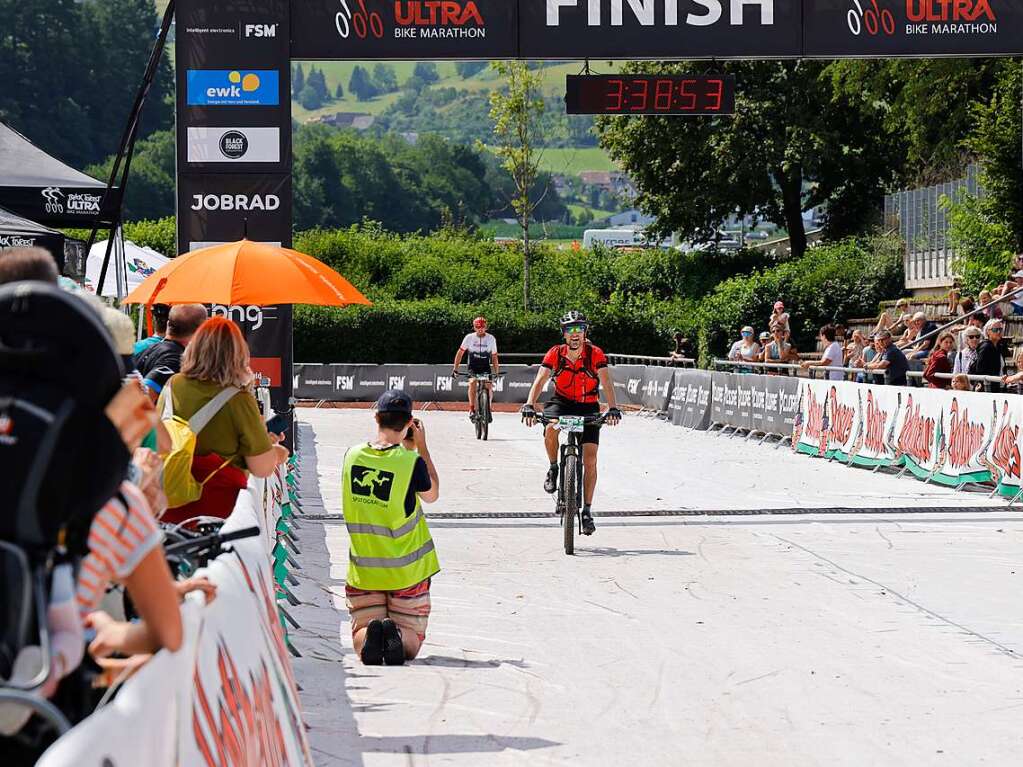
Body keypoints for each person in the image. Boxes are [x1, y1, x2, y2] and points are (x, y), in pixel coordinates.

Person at [156, 317, 288, 523]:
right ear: (239, 354)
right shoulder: (238, 398)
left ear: (194, 348)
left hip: (169, 501)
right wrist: (276, 454)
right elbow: (261, 468)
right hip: (218, 510)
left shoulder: (172, 385)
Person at [343, 389, 439, 666]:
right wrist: (420, 448)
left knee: (360, 629)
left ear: (376, 417)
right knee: (412, 638)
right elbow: (431, 494)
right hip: (406, 575)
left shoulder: (352, 456)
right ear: (410, 422)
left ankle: (370, 635)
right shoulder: (411, 462)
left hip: (364, 572)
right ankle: (397, 634)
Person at [520, 311, 622, 537]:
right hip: (562, 402)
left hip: (588, 406)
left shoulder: (595, 354)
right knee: (549, 426)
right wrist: (529, 404)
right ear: (564, 334)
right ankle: (554, 467)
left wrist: (612, 408)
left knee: (591, 458)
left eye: (579, 329)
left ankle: (586, 511)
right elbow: (540, 379)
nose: (575, 334)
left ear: (586, 332)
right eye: (569, 330)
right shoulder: (555, 353)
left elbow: (606, 382)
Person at [135, 303, 208, 377]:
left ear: (168, 324)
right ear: (201, 329)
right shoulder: (173, 359)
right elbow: (149, 387)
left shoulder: (148, 350)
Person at [452, 316, 499, 422]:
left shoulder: (491, 338)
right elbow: (460, 353)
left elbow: (494, 356)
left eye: (482, 327)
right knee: (472, 382)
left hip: (485, 366)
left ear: (486, 327)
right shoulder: (469, 338)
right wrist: (455, 368)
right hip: (473, 366)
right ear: (474, 327)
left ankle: (488, 409)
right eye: (478, 327)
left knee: (489, 385)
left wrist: (496, 372)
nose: (480, 329)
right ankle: (472, 409)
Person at [968, 318, 1004, 392]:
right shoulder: (986, 347)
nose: (998, 332)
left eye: (1000, 329)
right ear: (988, 332)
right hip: (986, 388)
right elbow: (980, 370)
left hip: (996, 385)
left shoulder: (998, 346)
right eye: (995, 330)